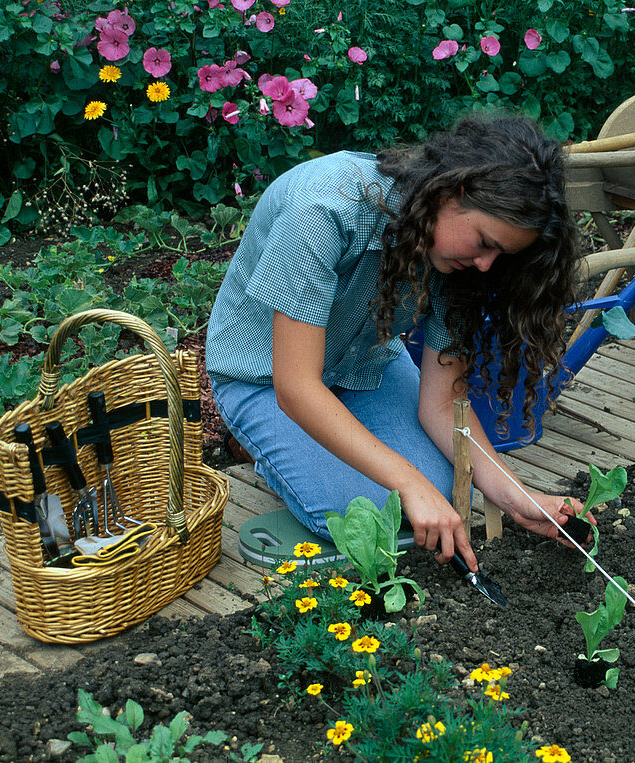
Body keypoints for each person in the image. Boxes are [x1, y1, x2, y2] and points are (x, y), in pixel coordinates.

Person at [205, 114, 587, 572]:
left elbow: (443, 406)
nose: (487, 264)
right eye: (485, 242)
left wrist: (518, 496)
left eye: (500, 254)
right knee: (365, 513)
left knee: (445, 488)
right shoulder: (321, 209)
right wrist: (407, 481)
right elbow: (297, 387)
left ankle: (312, 450)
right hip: (265, 378)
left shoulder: (457, 262)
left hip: (364, 367)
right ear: (452, 192)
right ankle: (254, 444)